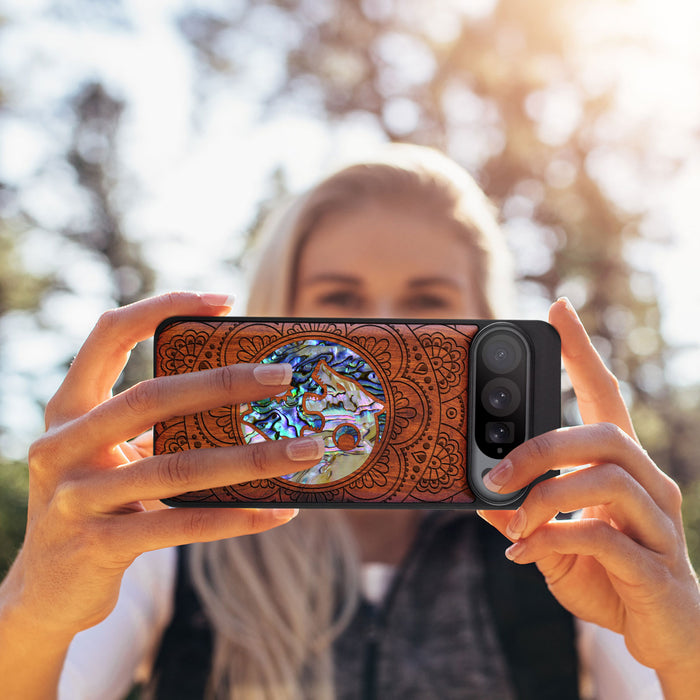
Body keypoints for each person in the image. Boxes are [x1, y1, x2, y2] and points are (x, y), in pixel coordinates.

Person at [0, 145, 698, 700]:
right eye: (339, 299)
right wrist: (34, 607)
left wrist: (685, 649)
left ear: (486, 325)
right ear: (279, 315)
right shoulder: (171, 534)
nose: (378, 329)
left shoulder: (566, 543)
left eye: (426, 303)